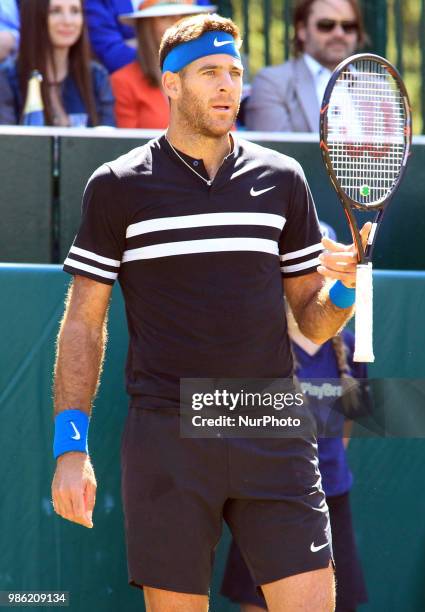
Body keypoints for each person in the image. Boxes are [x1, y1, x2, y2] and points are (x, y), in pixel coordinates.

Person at [51, 12, 371, 612]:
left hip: (269, 420)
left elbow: (311, 319)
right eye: (209, 73)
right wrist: (71, 446)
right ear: (171, 84)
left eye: (234, 72)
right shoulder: (116, 186)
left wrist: (345, 291)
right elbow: (83, 323)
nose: (228, 86)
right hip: (166, 429)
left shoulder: (283, 179)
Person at [220, 223, 369, 612]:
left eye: (321, 268)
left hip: (332, 494)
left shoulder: (350, 348)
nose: (312, 277)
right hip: (264, 496)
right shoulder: (257, 345)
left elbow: (350, 422)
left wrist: (324, 468)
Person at [245, 0, 366, 132]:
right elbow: (273, 151)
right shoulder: (271, 83)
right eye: (326, 25)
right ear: (302, 30)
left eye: (348, 26)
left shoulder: (378, 87)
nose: (339, 33)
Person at [0, 0, 115, 127]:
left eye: (75, 11)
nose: (68, 21)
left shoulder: (97, 77)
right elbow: (7, 143)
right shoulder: (6, 78)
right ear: (34, 17)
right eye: (55, 11)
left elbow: (108, 140)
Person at [111, 0, 216, 129]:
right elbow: (125, 145)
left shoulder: (212, 77)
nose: (179, 25)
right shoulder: (123, 81)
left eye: (185, 16)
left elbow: (228, 137)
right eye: (165, 17)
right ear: (146, 27)